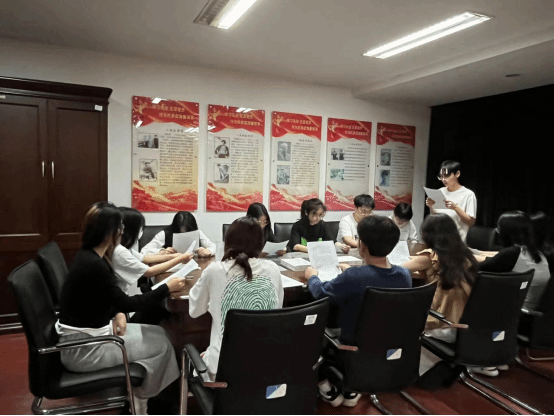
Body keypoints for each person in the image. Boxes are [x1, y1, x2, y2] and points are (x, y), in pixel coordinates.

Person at [56, 202, 187, 415]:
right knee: (163, 346)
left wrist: (117, 312)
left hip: (86, 338)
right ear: (110, 232)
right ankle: (142, 404)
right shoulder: (95, 265)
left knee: (160, 334)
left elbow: (109, 298)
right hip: (83, 350)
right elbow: (127, 303)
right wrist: (166, 288)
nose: (123, 231)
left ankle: (141, 396)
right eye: (120, 227)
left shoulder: (90, 256)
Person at [306, 215, 411, 407]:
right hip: (388, 349)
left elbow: (320, 293)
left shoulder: (354, 277)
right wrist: (353, 272)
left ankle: (326, 388)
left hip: (351, 350)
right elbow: (377, 278)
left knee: (309, 332)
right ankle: (350, 387)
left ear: (362, 246)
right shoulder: (404, 275)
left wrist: (312, 277)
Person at [189, 217, 284, 380]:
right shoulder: (273, 269)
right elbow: (277, 309)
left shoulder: (214, 271)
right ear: (261, 244)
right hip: (265, 366)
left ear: (227, 243)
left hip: (222, 371)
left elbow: (194, 311)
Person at [401, 214, 488, 377]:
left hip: (442, 325)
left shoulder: (430, 257)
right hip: (467, 326)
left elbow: (398, 270)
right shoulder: (465, 255)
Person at [114, 207, 194, 325]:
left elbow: (144, 258)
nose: (141, 231)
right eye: (140, 228)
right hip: (119, 305)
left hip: (120, 303)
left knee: (157, 305)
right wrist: (179, 259)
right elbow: (149, 272)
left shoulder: (122, 248)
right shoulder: (119, 251)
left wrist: (173, 256)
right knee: (159, 304)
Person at [479, 211, 551, 311]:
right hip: (528, 311)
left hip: (514, 313)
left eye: (499, 227)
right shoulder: (537, 253)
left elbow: (474, 269)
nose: (496, 231)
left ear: (507, 231)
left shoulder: (512, 254)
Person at [426, 160, 476, 242]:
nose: (443, 179)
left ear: (457, 174)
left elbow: (471, 222)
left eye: (446, 176)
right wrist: (431, 206)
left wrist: (455, 208)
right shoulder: (440, 191)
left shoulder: (468, 194)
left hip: (457, 241)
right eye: (441, 176)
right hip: (439, 239)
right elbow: (435, 217)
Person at [141, 211, 216, 257]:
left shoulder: (198, 233)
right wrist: (161, 251)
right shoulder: (164, 233)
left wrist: (208, 251)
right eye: (180, 232)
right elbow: (144, 251)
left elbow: (212, 246)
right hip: (170, 267)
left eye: (187, 231)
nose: (184, 234)